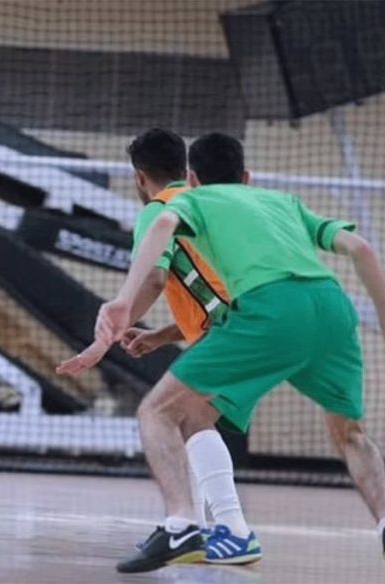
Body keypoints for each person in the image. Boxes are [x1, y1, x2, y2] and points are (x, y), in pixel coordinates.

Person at [60, 132, 385, 582]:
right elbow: (361, 248)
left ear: (190, 177)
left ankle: (183, 524)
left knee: (158, 412)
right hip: (331, 309)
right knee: (349, 434)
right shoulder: (282, 202)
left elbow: (160, 243)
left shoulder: (188, 202)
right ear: (247, 176)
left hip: (262, 314)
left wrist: (120, 303)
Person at [121, 129, 260, 564]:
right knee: (186, 418)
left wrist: (113, 323)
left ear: (140, 177)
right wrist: (160, 336)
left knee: (183, 415)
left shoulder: (159, 210)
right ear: (186, 170)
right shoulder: (208, 204)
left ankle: (230, 528)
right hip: (252, 321)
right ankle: (194, 529)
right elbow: (211, 293)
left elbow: (154, 278)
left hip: (235, 330)